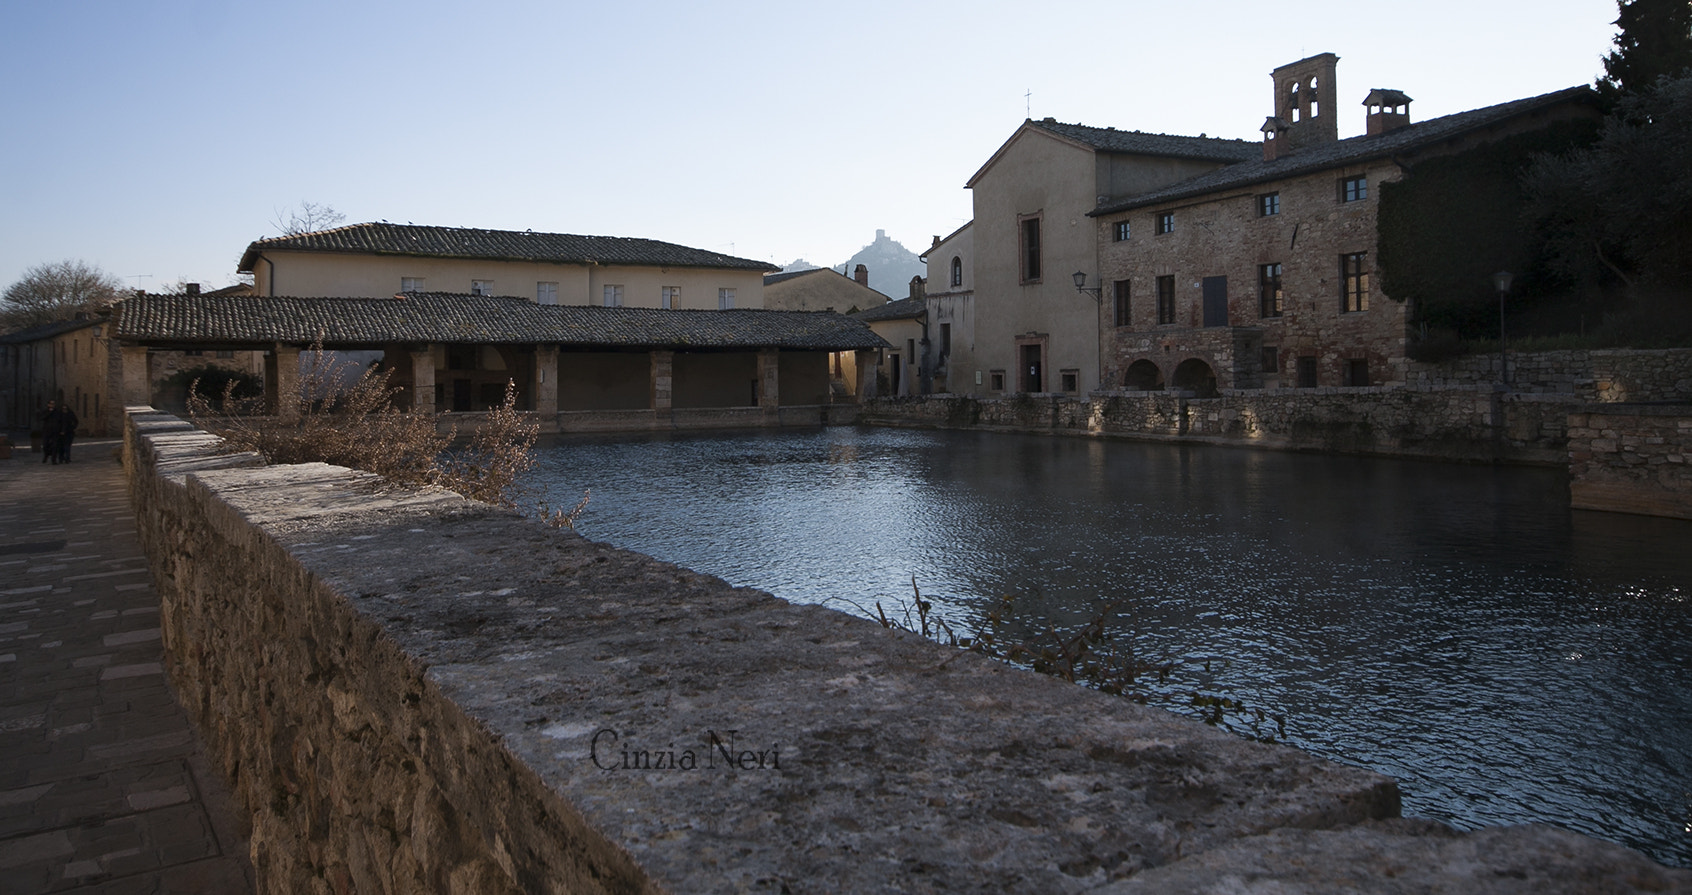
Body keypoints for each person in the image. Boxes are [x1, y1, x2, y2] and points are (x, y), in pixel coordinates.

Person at [39, 400, 59, 464]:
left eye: (53, 404)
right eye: (51, 404)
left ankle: (54, 459)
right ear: (48, 405)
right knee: (45, 445)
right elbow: (42, 418)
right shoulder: (45, 411)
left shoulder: (57, 412)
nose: (52, 405)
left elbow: (61, 420)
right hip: (46, 430)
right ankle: (46, 455)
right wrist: (49, 413)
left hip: (55, 431)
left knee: (55, 445)